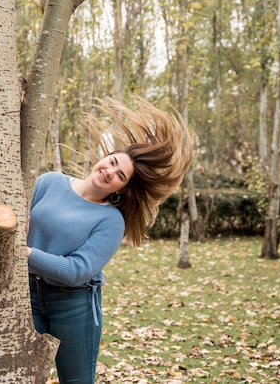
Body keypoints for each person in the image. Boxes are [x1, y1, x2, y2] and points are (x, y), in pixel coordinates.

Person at [27, 97, 193, 383]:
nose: (109, 172)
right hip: (26, 292)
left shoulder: (111, 221)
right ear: (103, 157)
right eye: (112, 162)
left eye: (120, 176)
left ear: (122, 188)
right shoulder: (49, 181)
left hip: (74, 304)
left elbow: (75, 270)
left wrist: (25, 252)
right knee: (19, 374)